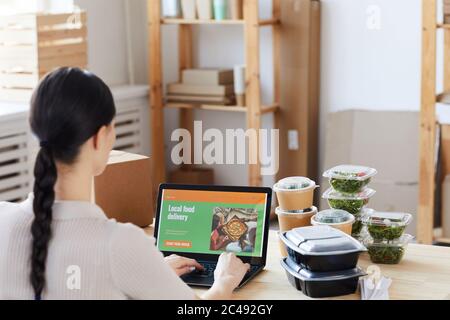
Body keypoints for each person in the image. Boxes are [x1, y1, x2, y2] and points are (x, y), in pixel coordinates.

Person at [0, 67, 249, 300]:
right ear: (99, 138)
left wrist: (150, 272)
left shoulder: (3, 219)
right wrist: (224, 281)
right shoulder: (119, 244)